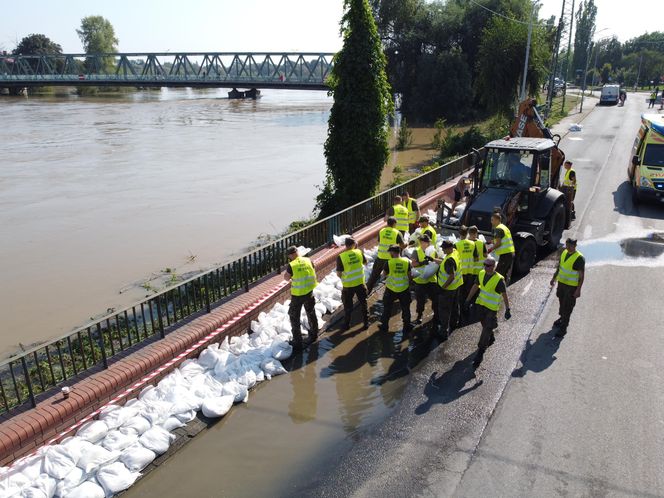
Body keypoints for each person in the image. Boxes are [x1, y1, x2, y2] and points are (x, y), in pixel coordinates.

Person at [464, 257, 511, 369]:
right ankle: (491, 335)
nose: (485, 267)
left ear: (494, 266)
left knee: (486, 329)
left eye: (488, 265)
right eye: (484, 264)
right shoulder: (481, 273)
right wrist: (467, 299)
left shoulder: (499, 280)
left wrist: (508, 309)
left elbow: (504, 294)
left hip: (491, 308)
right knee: (485, 325)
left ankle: (480, 353)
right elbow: (476, 286)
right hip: (481, 305)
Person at [284, 246, 319, 351]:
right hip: (309, 292)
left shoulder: (292, 265)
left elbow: (286, 278)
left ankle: (297, 342)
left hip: (298, 295)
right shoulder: (308, 260)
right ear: (297, 252)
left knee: (294, 317)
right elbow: (312, 269)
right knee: (311, 312)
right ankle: (314, 334)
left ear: (290, 255)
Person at [549, 238, 585, 338]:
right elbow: (560, 267)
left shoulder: (579, 258)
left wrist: (578, 290)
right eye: (567, 245)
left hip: (571, 287)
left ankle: (563, 328)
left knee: (568, 306)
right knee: (561, 302)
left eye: (571, 246)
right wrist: (554, 278)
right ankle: (561, 318)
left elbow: (581, 276)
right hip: (562, 284)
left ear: (575, 246)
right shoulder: (564, 252)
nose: (568, 247)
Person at [336, 237, 369, 331]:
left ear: (345, 245)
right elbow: (366, 263)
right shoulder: (359, 252)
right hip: (360, 283)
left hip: (348, 285)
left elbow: (339, 274)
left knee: (347, 306)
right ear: (353, 244)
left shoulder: (341, 257)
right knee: (363, 303)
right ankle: (366, 323)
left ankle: (346, 325)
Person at [366, 217, 405, 293]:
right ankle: (392, 293)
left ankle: (366, 293)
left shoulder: (382, 231)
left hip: (380, 257)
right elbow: (402, 245)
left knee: (374, 276)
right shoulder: (397, 233)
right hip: (391, 258)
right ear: (394, 224)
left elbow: (380, 241)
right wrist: (407, 244)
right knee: (393, 276)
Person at [434, 240, 463, 340]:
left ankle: (443, 332)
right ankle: (454, 324)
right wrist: (433, 259)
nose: (442, 249)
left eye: (444, 248)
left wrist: (443, 287)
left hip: (447, 290)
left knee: (444, 310)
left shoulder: (449, 261)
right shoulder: (455, 252)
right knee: (455, 306)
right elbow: (445, 262)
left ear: (449, 248)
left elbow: (451, 276)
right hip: (456, 286)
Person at [380, 245, 412, 332]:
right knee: (405, 308)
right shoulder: (406, 262)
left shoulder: (389, 262)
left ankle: (384, 326)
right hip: (404, 288)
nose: (389, 253)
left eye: (390, 252)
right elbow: (409, 275)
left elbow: (383, 276)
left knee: (387, 308)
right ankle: (407, 326)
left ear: (393, 252)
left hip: (391, 289)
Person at [411, 234, 438, 325]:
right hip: (420, 281)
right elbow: (413, 264)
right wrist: (422, 262)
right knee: (420, 300)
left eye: (428, 242)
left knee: (435, 298)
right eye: (426, 242)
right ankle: (419, 316)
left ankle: (436, 315)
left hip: (432, 280)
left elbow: (438, 260)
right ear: (422, 242)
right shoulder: (416, 251)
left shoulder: (433, 250)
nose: (428, 243)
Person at [455, 226, 476, 320]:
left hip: (461, 273)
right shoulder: (472, 243)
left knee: (460, 293)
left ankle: (460, 313)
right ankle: (466, 308)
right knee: (468, 292)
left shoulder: (457, 244)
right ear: (467, 233)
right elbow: (476, 258)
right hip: (470, 272)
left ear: (459, 234)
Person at [490, 212, 515, 280]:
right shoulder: (504, 227)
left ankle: (499, 290)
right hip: (510, 253)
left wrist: (490, 249)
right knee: (504, 274)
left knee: (498, 274)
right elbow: (503, 239)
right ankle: (503, 289)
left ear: (497, 220)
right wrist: (491, 242)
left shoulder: (498, 229)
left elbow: (498, 243)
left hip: (505, 254)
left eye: (492, 220)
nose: (491, 222)